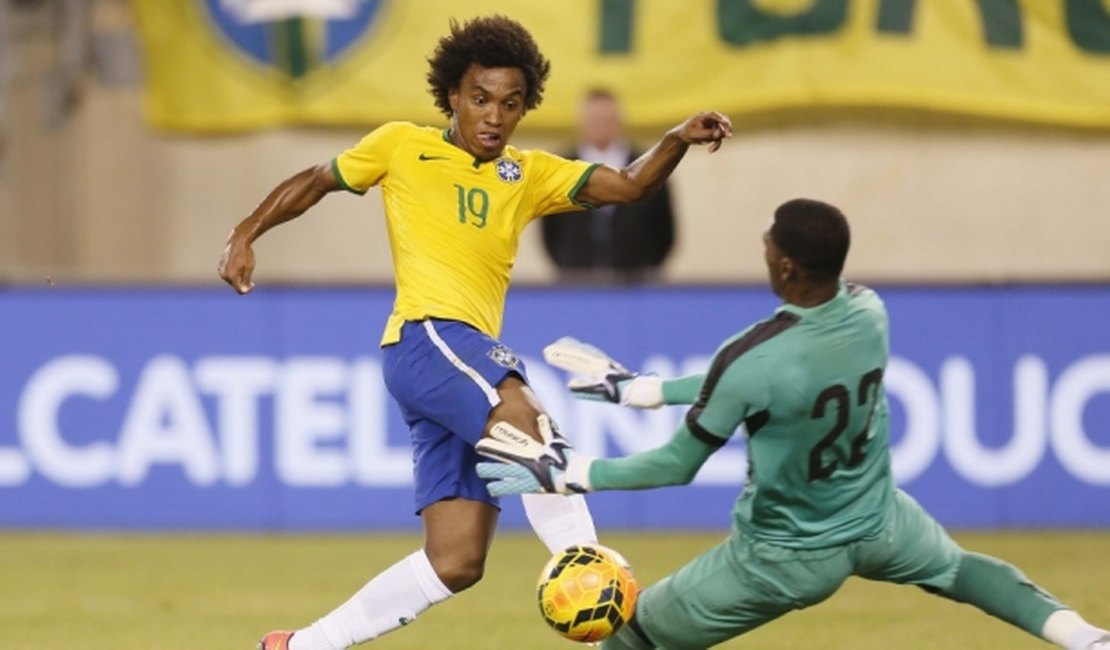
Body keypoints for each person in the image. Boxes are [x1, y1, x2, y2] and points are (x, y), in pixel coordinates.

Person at [217, 14, 732, 650]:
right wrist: (246, 232)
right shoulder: (402, 144)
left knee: (456, 561)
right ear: (453, 97)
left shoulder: (530, 173)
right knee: (532, 424)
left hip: (448, 368)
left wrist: (676, 137)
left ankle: (298, 647)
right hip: (429, 337)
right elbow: (318, 181)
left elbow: (629, 183)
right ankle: (601, 600)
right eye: (480, 99)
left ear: (524, 109)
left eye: (510, 104)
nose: (493, 116)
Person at [477, 199, 1110, 650]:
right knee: (962, 571)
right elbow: (761, 380)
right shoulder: (869, 312)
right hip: (880, 520)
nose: (766, 253)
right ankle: (1084, 637)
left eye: (769, 247)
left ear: (785, 268)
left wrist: (570, 471)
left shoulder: (753, 355)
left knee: (629, 638)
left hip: (783, 556)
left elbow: (677, 465)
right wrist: (642, 390)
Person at [541, 88, 676, 283]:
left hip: (635, 283)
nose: (601, 126)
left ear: (619, 122)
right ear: (582, 123)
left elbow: (664, 230)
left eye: (607, 120)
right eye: (594, 120)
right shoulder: (561, 167)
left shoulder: (649, 166)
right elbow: (550, 230)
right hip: (576, 282)